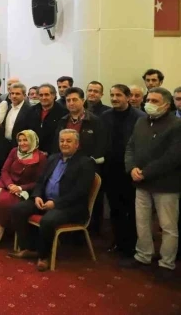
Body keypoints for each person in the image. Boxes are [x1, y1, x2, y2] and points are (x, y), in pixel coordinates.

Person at [9, 130, 95, 272]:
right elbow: (40, 182)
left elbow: (80, 192)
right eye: (62, 141)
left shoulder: (86, 163)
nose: (64, 144)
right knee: (17, 209)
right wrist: (37, 196)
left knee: (48, 220)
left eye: (68, 141)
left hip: (70, 207)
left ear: (77, 144)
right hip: (44, 200)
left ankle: (44, 256)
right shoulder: (53, 158)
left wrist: (56, 203)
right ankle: (30, 248)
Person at [124, 87, 181, 277]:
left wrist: (145, 172)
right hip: (141, 182)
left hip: (166, 184)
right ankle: (143, 255)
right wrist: (131, 168)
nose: (149, 104)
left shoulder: (176, 125)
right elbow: (130, 147)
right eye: (148, 100)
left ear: (166, 104)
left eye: (155, 101)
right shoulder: (141, 121)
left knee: (168, 226)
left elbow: (173, 157)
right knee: (142, 222)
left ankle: (166, 263)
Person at [0, 130, 47, 250]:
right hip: (6, 183)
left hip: (22, 189)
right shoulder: (14, 151)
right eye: (20, 140)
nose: (22, 143)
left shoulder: (41, 157)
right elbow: (4, 170)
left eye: (25, 140)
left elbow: (38, 182)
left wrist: (20, 188)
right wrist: (9, 184)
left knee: (1, 202)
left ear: (32, 141)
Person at [54, 87, 107, 233]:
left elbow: (101, 145)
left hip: (86, 166)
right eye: (68, 100)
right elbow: (57, 144)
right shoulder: (63, 120)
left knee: (86, 199)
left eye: (74, 99)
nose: (71, 103)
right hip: (66, 164)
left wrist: (90, 162)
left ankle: (90, 232)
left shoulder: (95, 121)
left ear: (82, 101)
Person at [101, 84, 146, 258]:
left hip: (131, 170)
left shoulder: (140, 117)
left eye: (118, 95)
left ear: (128, 97)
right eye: (112, 95)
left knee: (132, 209)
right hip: (111, 169)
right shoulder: (105, 116)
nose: (114, 98)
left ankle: (133, 244)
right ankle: (118, 241)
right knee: (115, 208)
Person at [26, 83, 68, 154]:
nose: (43, 98)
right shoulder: (31, 111)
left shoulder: (63, 113)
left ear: (53, 95)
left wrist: (49, 153)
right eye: (41, 95)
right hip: (33, 152)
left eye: (46, 95)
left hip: (53, 154)